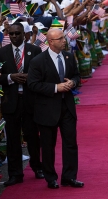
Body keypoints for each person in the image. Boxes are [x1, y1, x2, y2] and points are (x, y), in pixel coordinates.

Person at [27, 28, 83, 189]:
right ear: (50, 42)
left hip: (67, 107)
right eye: (60, 39)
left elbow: (76, 76)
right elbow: (33, 84)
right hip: (47, 109)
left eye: (63, 38)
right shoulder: (38, 61)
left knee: (70, 143)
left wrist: (73, 82)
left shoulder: (69, 56)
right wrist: (56, 88)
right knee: (48, 145)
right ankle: (50, 177)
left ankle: (69, 177)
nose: (64, 40)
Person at [0, 22, 43, 186]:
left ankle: (37, 167)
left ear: (24, 34)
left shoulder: (35, 50)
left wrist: (30, 77)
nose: (14, 36)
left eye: (17, 33)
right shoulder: (1, 53)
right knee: (13, 139)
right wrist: (11, 77)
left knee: (32, 136)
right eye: (11, 34)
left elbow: (42, 74)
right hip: (11, 101)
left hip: (30, 100)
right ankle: (15, 174)